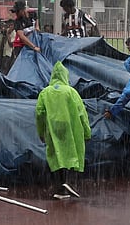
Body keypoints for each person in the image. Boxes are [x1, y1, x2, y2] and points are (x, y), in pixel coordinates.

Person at [36, 61, 91, 200]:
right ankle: (70, 181)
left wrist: (41, 132)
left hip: (52, 128)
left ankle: (59, 186)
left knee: (56, 155)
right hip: (71, 127)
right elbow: (81, 113)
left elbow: (39, 113)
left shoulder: (45, 93)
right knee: (73, 153)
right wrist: (86, 131)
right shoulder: (71, 92)